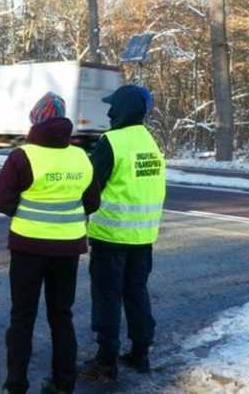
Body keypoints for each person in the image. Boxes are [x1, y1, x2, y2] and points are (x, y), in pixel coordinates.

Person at [0, 92, 101, 394]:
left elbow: (2, 202)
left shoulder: (22, 156)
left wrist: (25, 209)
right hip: (67, 250)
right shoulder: (81, 156)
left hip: (27, 249)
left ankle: (15, 386)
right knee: (61, 316)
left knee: (22, 318)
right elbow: (92, 202)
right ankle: (64, 384)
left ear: (37, 119)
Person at [78, 85, 165, 383]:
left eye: (113, 106)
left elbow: (91, 186)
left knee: (107, 297)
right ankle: (141, 353)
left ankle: (106, 362)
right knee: (136, 293)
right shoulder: (150, 141)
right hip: (143, 238)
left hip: (111, 236)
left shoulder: (112, 142)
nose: (109, 111)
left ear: (123, 108)